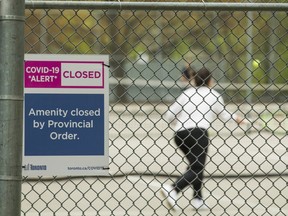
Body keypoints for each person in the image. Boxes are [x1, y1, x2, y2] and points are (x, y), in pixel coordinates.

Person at [161, 67, 243, 210]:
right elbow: (225, 115)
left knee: (195, 165)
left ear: (195, 80)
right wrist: (238, 119)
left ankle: (198, 199)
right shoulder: (214, 95)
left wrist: (180, 124)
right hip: (199, 134)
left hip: (179, 135)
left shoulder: (186, 94)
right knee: (197, 167)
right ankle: (173, 189)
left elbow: (169, 116)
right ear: (210, 81)